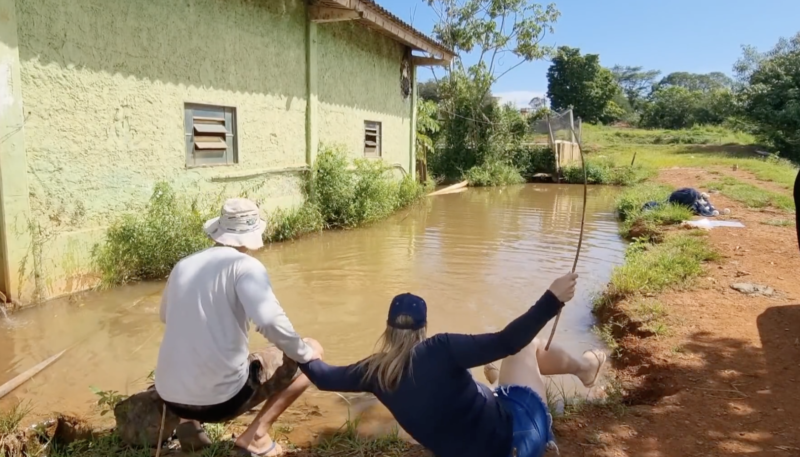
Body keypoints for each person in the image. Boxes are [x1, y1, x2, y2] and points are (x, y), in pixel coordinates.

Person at [298, 273, 606, 457]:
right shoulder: (441, 348)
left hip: (475, 443)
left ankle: (498, 378)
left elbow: (323, 377)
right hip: (519, 440)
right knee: (527, 347)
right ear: (423, 327)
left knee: (492, 378)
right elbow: (509, 341)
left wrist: (303, 349)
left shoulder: (374, 372)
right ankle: (585, 368)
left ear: (388, 328)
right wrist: (552, 299)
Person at [155, 198, 322, 457]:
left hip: (170, 397)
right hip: (222, 402)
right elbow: (269, 322)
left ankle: (189, 428)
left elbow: (166, 316)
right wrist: (305, 354)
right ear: (252, 235)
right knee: (310, 351)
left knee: (198, 344)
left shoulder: (183, 266)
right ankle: (256, 437)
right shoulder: (245, 266)